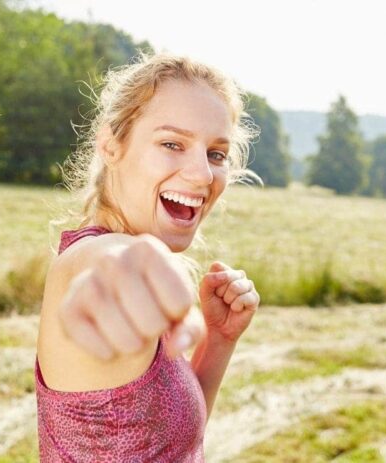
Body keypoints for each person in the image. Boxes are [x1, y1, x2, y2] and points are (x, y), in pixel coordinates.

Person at [34, 52, 261, 462]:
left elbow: (166, 445)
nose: (203, 174)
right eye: (172, 144)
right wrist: (130, 265)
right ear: (111, 146)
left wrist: (219, 340)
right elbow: (105, 264)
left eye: (216, 154)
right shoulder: (88, 259)